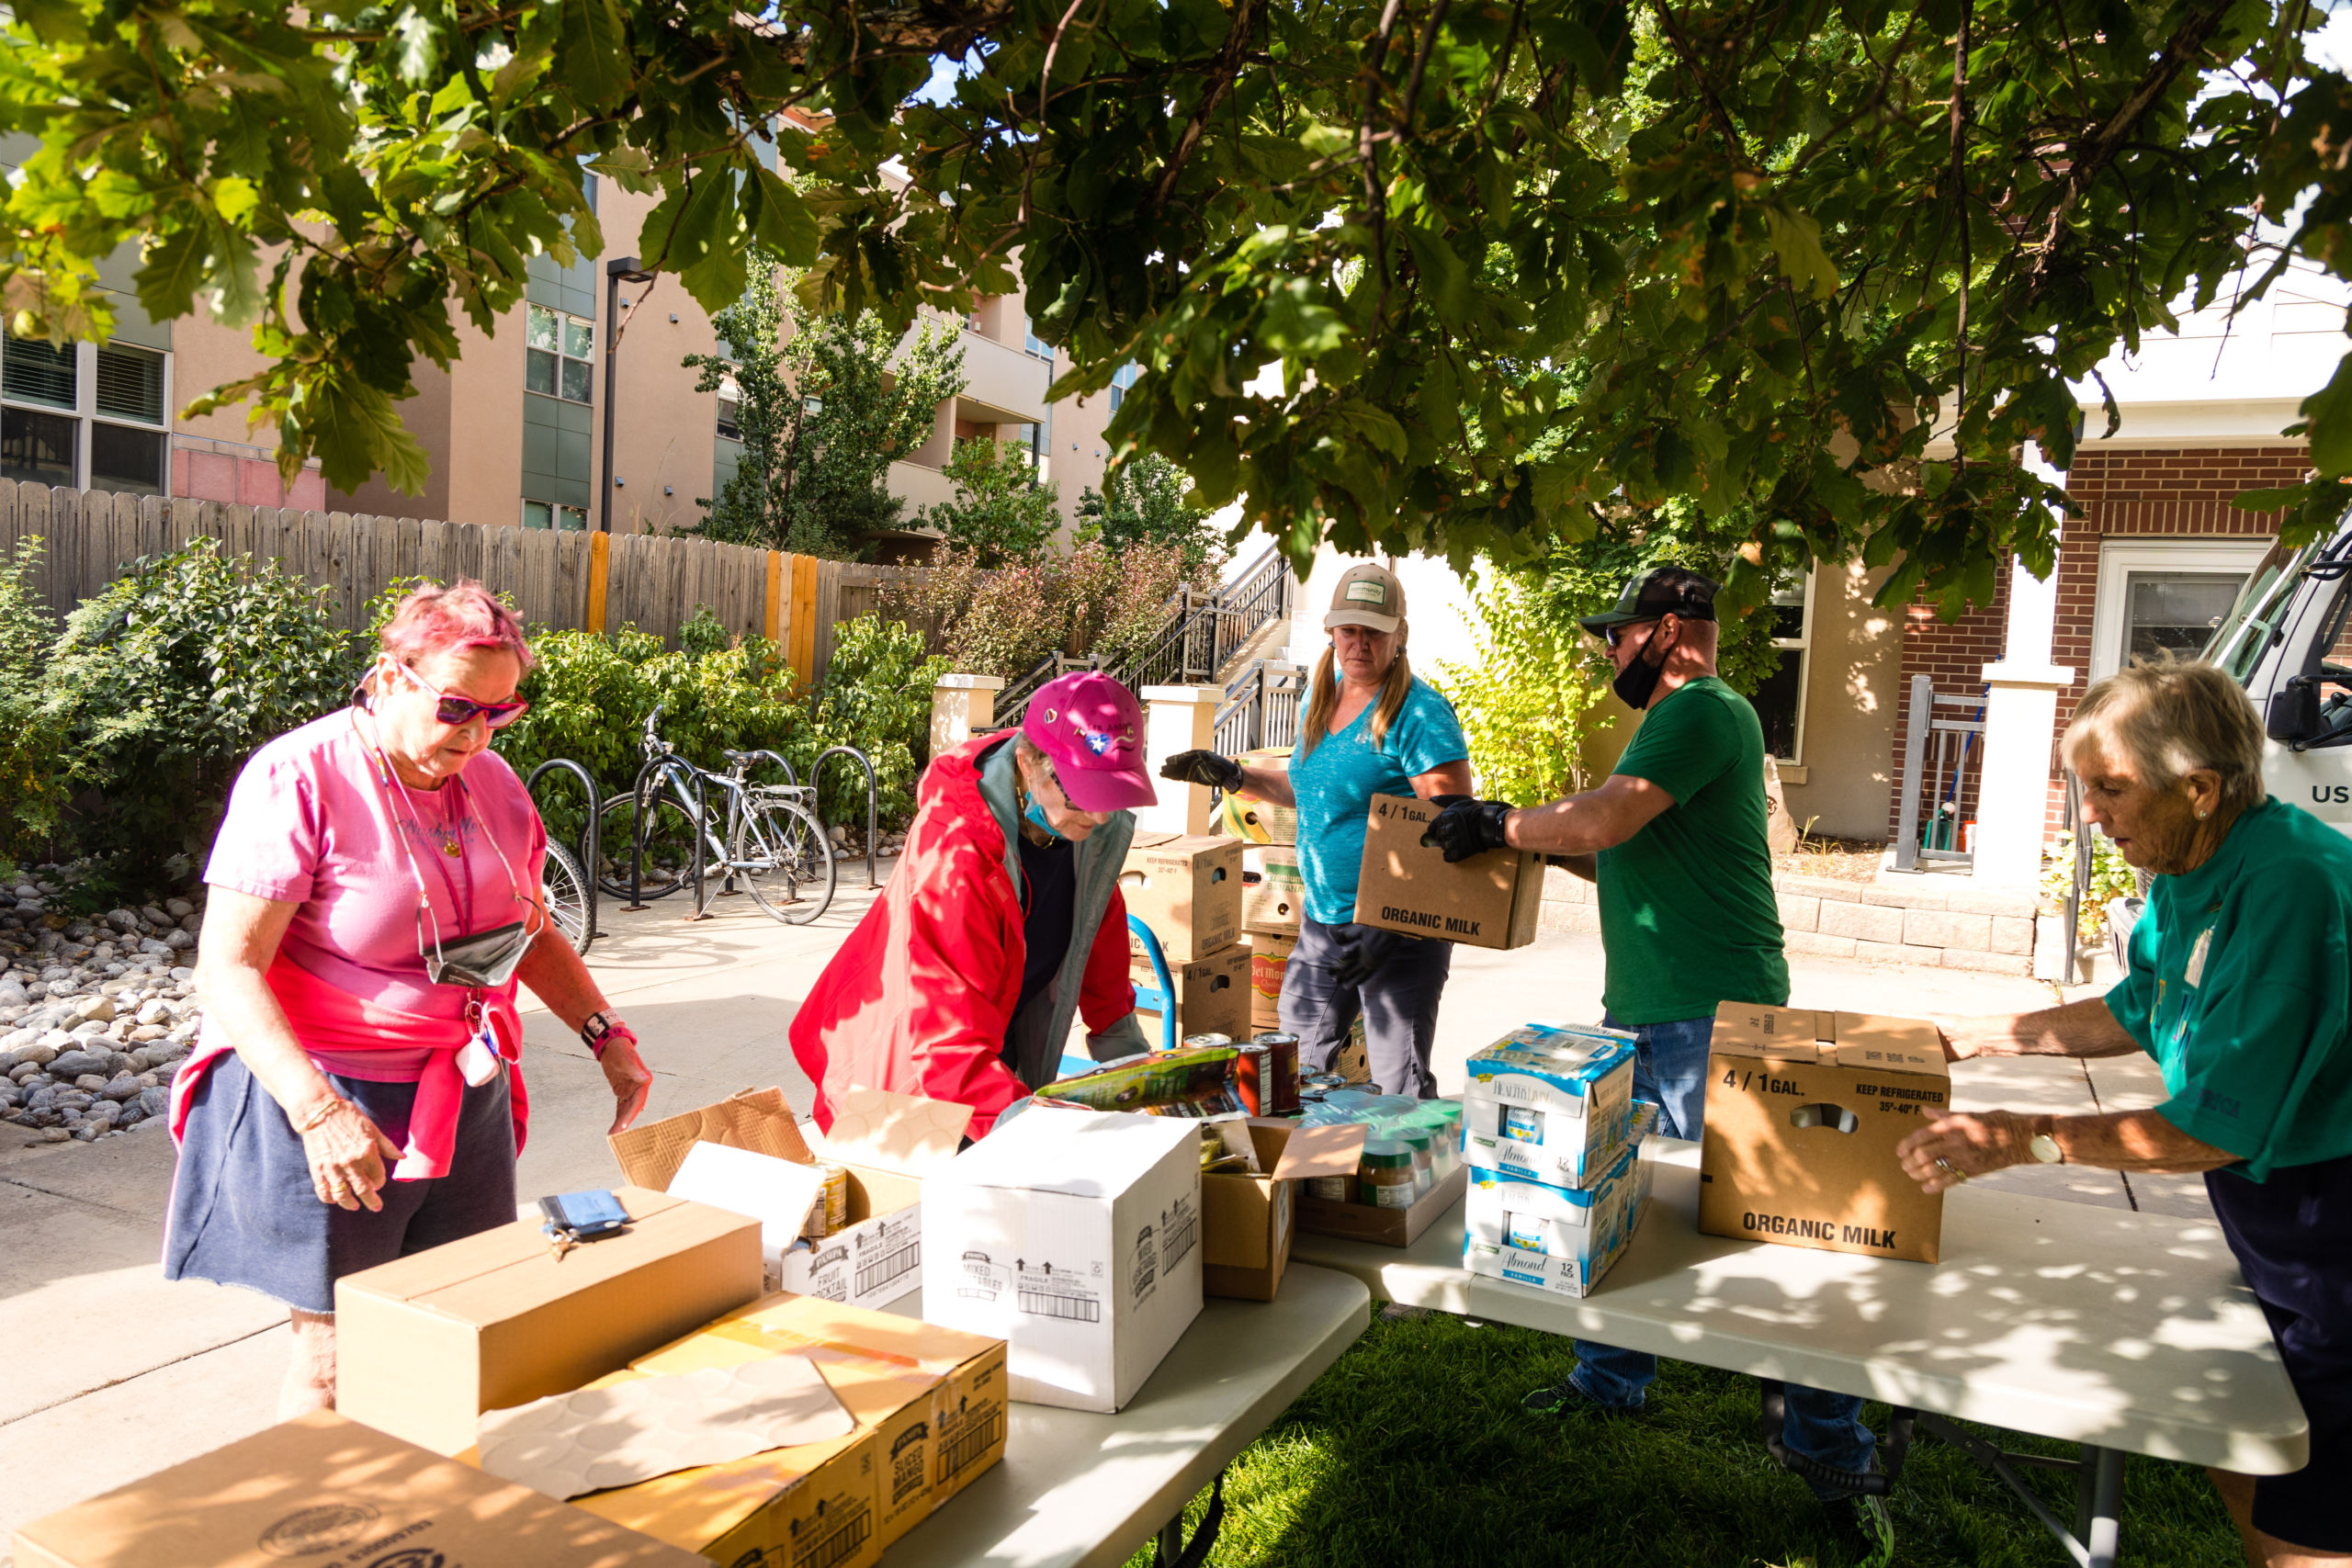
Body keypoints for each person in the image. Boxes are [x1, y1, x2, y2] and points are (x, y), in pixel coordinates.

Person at [1427, 565, 1887, 1557]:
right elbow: (1619, 847)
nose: (1607, 651)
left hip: (1702, 1018)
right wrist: (1521, 837)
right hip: (1660, 1009)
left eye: (1618, 633)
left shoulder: (1701, 708)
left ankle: (1828, 1447)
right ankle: (1612, 1382)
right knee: (1621, 1196)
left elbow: (1602, 817)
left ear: (1670, 630)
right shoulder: (1690, 722)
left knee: (1773, 1233)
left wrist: (1502, 823)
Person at [1899, 659, 2352, 1568]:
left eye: (2110, 789)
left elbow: (2211, 1129)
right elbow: (2138, 1004)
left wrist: (2019, 1138)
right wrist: (1977, 1034)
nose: (2092, 814)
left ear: (2197, 786)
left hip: (2331, 1226)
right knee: (2245, 1441)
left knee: (2310, 1514)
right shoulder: (2194, 862)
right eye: (2086, 788)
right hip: (2275, 1215)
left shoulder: (2286, 886)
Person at [165, 581, 654, 1417]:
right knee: (335, 1360)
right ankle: (319, 1540)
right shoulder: (299, 776)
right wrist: (319, 1113)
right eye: (457, 705)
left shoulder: (495, 784)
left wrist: (603, 1032)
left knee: (459, 1323)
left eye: (500, 712)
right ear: (391, 676)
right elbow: (229, 967)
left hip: (462, 1085)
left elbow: (528, 927)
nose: (475, 732)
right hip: (328, 1093)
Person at [791, 671, 1158, 1137]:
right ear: (1028, 765)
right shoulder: (955, 854)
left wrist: (1143, 1080)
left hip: (984, 1057)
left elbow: (1099, 957)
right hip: (902, 1074)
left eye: (1110, 791)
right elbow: (946, 1048)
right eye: (1082, 793)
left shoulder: (1087, 827)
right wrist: (1044, 1133)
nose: (1101, 814)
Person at [1162, 561, 1471, 1097]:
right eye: (1349, 629)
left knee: (1401, 1089)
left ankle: (1400, 1176)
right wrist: (1236, 776)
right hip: (1324, 922)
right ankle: (1312, 1177)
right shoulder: (1319, 693)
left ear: (1400, 635)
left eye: (1375, 631)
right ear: (1331, 629)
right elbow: (1308, 791)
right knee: (1289, 1075)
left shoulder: (1420, 714)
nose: (1360, 643)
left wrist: (1389, 925)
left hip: (1400, 936)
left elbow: (1451, 831)